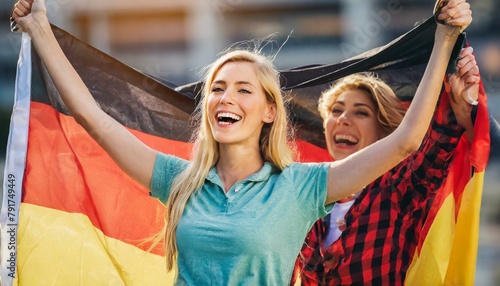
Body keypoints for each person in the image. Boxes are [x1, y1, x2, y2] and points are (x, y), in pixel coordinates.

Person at [11, 0, 472, 284]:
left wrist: (445, 38)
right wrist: (40, 28)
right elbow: (95, 121)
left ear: (269, 112)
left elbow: (405, 143)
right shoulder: (179, 180)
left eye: (243, 89)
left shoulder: (300, 187)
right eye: (217, 88)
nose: (225, 98)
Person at [291, 46, 480, 285]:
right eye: (336, 110)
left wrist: (448, 44)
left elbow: (439, 141)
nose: (343, 119)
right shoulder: (307, 198)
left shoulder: (397, 188)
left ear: (384, 132)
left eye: (361, 113)